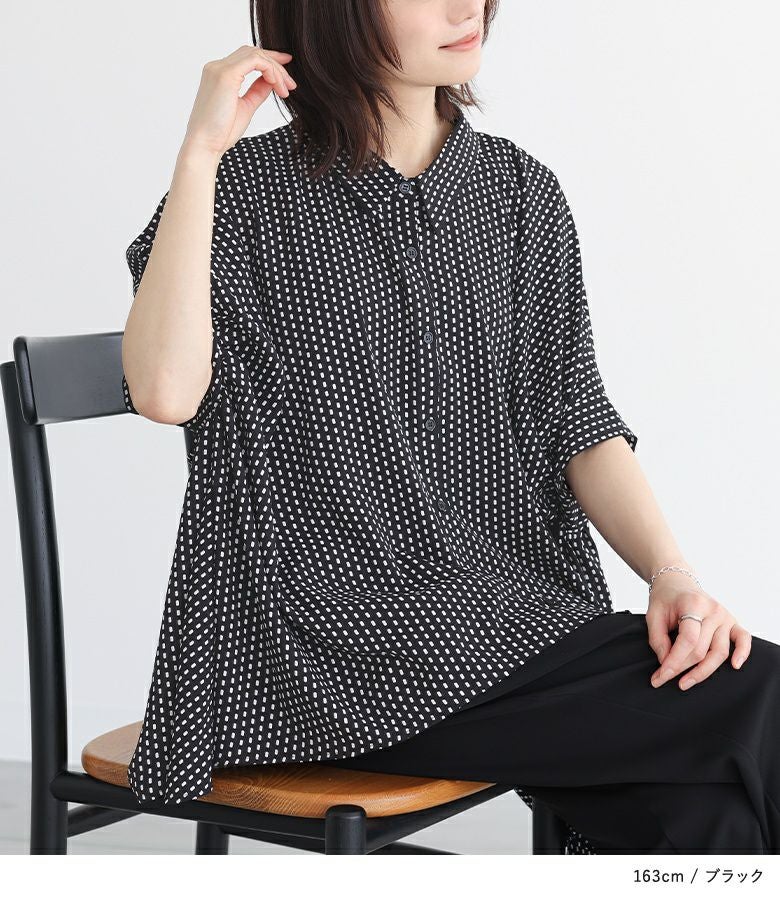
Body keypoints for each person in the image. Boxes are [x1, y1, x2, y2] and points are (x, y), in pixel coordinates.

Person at [120, 1, 779, 853]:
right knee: (758, 693)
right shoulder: (244, 190)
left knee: (707, 816)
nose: (467, 6)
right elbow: (164, 391)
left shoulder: (519, 193)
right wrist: (199, 154)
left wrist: (672, 576)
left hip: (500, 615)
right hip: (321, 643)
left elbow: (577, 417)